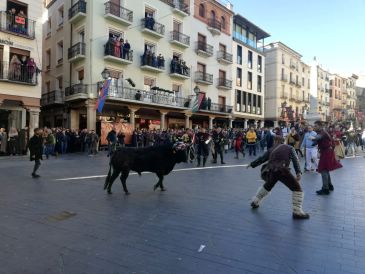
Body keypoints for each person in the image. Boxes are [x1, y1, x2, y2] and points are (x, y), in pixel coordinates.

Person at [248, 135, 310, 219]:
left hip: (272, 170)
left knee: (268, 186)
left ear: (275, 141)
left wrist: (252, 164)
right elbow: (295, 160)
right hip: (282, 171)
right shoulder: (290, 147)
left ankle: (255, 202)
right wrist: (298, 172)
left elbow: (262, 158)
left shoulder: (271, 149)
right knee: (297, 189)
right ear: (283, 141)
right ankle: (297, 212)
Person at [313, 122, 343, 195]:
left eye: (316, 126)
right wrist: (313, 143)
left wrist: (312, 138)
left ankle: (325, 189)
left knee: (323, 169)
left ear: (320, 126)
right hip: (326, 152)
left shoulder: (323, 132)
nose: (314, 127)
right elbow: (317, 141)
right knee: (325, 169)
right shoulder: (321, 132)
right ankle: (329, 186)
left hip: (327, 152)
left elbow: (318, 138)